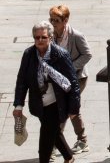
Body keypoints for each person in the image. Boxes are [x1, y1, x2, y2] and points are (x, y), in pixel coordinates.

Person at [13, 21, 80, 163]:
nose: (40, 40)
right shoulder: (29, 54)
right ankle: (69, 157)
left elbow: (73, 82)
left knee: (45, 139)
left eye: (43, 37)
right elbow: (22, 80)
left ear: (50, 37)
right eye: (36, 38)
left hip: (57, 102)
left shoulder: (60, 55)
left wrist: (74, 108)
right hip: (39, 103)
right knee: (54, 132)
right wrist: (18, 105)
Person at [49, 5, 91, 155]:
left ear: (65, 20)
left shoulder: (76, 36)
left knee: (68, 108)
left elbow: (87, 54)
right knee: (65, 108)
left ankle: (76, 140)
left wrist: (70, 67)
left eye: (57, 20)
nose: (53, 23)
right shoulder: (50, 35)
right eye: (51, 19)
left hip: (77, 78)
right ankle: (77, 140)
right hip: (58, 78)